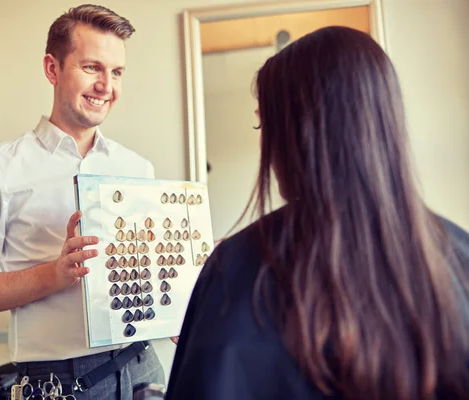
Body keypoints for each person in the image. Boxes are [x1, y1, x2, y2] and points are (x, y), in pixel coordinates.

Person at [166, 26, 469, 400]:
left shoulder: (237, 270)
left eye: (264, 122)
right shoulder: (460, 253)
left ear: (300, 130)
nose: (264, 141)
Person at [0, 5, 165, 399]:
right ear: (52, 69)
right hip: (57, 385)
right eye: (92, 67)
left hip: (144, 368)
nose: (106, 86)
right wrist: (55, 274)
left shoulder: (138, 168)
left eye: (116, 72)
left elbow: (147, 275)